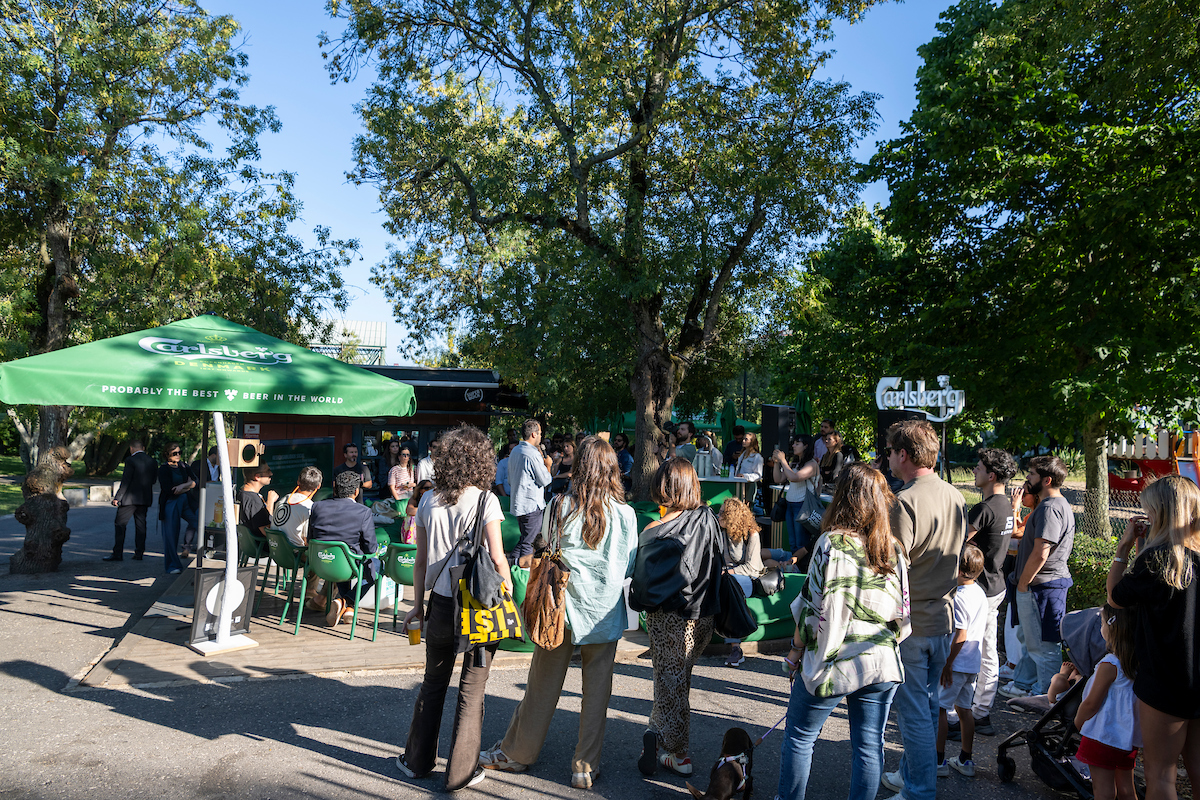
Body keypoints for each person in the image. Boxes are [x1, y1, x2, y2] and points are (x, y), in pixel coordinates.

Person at [479, 437, 639, 789]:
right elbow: (629, 563)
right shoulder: (627, 515)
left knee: (541, 687)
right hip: (604, 611)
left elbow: (547, 550)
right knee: (597, 694)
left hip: (560, 607)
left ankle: (517, 753)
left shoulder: (561, 505)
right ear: (613, 469)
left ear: (579, 466)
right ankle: (585, 767)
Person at [777, 462, 910, 800]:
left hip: (833, 659)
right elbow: (904, 614)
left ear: (842, 497)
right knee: (868, 747)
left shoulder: (830, 544)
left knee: (800, 737)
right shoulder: (892, 548)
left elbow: (812, 609)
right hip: (880, 660)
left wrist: (794, 653)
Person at [398, 424, 513, 792]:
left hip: (441, 605)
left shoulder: (429, 500)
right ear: (481, 460)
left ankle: (416, 761)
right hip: (477, 606)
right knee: (472, 689)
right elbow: (497, 559)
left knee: (433, 683)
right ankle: (460, 772)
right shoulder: (486, 500)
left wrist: (416, 606)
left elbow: (420, 562)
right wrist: (508, 590)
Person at [881, 420, 967, 800]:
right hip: (943, 617)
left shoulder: (906, 501)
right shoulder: (956, 495)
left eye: (889, 451)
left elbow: (894, 570)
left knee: (915, 714)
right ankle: (910, 775)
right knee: (928, 709)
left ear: (903, 454)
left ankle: (919, 789)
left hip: (913, 622)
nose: (887, 458)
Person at [1108, 474, 1200, 800]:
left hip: (1165, 679)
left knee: (1161, 776)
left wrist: (1123, 548)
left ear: (1160, 513)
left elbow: (1116, 597)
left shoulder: (1157, 561)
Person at [631, 458, 722, 778]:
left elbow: (641, 586)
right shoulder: (708, 519)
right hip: (703, 616)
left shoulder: (653, 531)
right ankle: (655, 732)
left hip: (669, 619)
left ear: (661, 487)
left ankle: (677, 752)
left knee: (671, 684)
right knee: (679, 680)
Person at [955, 448, 1018, 737]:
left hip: (978, 589)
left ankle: (965, 714)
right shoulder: (1005, 505)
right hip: (996, 585)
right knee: (988, 650)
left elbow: (957, 543)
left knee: (967, 648)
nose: (974, 471)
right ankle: (981, 711)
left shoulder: (985, 508)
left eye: (978, 467)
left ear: (991, 475)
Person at [1000, 454, 1074, 699]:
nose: (1027, 478)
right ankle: (1024, 684)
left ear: (1047, 479)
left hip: (1041, 586)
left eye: (1031, 474)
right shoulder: (1049, 505)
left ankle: (1045, 694)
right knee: (1030, 640)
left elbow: (1042, 552)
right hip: (1039, 586)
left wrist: (1023, 583)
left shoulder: (1051, 508)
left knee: (1043, 646)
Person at [1073, 604, 1141, 800]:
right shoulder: (1136, 664)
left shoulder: (1110, 664)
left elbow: (1092, 703)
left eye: (1102, 622)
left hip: (1101, 735)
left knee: (1103, 791)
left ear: (1111, 628)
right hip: (1126, 738)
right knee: (1127, 789)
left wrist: (1078, 722)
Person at [935, 543, 988, 779]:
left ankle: (938, 760)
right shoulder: (979, 592)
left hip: (955, 664)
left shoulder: (959, 598)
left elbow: (961, 634)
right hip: (972, 663)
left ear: (957, 568)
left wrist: (947, 664)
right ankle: (966, 759)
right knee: (965, 709)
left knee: (940, 709)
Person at [308, 469, 377, 627]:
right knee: (377, 568)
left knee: (345, 558)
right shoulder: (363, 512)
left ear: (335, 487)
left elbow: (311, 538)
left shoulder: (317, 506)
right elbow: (370, 548)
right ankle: (346, 602)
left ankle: (347, 608)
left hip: (320, 566)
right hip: (347, 566)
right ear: (356, 491)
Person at [272, 466, 326, 610]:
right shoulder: (309, 507)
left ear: (298, 481)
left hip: (277, 551)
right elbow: (307, 539)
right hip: (293, 554)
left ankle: (311, 591)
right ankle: (313, 593)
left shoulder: (284, 498)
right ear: (318, 486)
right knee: (320, 554)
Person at [718, 497, 764, 668]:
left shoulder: (751, 534)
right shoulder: (720, 531)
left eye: (723, 513)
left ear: (733, 516)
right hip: (726, 576)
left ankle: (735, 648)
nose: (719, 515)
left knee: (728, 586)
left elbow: (752, 568)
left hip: (748, 578)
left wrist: (727, 572)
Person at [507, 419, 554, 562]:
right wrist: (548, 465)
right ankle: (524, 577)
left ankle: (511, 566)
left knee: (524, 540)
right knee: (529, 543)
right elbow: (545, 480)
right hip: (531, 506)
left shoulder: (515, 450)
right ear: (534, 434)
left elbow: (509, 479)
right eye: (540, 433)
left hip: (519, 503)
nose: (541, 437)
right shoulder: (532, 454)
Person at [771, 434, 820, 563]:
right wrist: (776, 463)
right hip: (790, 504)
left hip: (803, 506)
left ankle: (802, 568)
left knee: (801, 543)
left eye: (797, 443)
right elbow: (778, 479)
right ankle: (794, 566)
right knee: (792, 542)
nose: (793, 446)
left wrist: (783, 461)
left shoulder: (811, 464)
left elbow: (795, 477)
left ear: (806, 446)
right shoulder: (795, 462)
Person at [105, 440, 157, 562]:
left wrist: (118, 497)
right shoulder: (152, 461)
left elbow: (126, 481)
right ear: (143, 448)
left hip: (129, 499)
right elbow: (154, 480)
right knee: (141, 526)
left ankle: (117, 553)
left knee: (120, 525)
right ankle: (139, 553)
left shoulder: (130, 460)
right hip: (144, 498)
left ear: (131, 448)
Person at [157, 442, 198, 575]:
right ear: (167, 454)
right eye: (174, 453)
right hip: (170, 502)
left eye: (179, 452)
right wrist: (186, 486)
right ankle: (172, 565)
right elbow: (170, 490)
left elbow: (195, 481)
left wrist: (182, 486)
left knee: (197, 522)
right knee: (170, 534)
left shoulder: (183, 466)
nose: (178, 455)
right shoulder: (163, 469)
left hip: (186, 501)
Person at [237, 464, 278, 540]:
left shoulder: (242, 493)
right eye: (267, 471)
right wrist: (270, 502)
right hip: (260, 547)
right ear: (257, 477)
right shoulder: (255, 501)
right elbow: (267, 531)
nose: (271, 474)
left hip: (247, 545)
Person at [734, 432, 764, 508]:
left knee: (746, 508)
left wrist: (744, 476)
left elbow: (758, 475)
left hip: (750, 484)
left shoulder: (757, 456)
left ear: (752, 441)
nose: (743, 441)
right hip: (739, 484)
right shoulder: (742, 454)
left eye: (746, 439)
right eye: (743, 439)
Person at [402, 479, 434, 545]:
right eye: (426, 488)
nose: (429, 490)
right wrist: (425, 509)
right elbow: (410, 511)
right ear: (420, 490)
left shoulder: (433, 499)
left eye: (431, 488)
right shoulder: (415, 498)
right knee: (412, 518)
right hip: (418, 524)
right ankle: (410, 541)